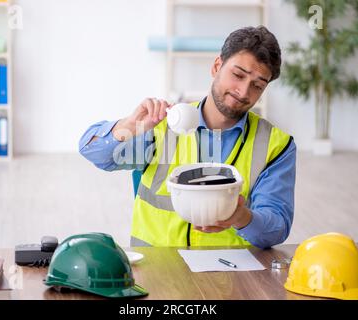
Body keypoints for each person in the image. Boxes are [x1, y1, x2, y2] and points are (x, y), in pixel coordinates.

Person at [79, 26, 296, 249]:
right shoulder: (163, 125)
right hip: (157, 272)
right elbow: (94, 152)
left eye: (257, 86)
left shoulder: (276, 145)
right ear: (216, 66)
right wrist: (129, 125)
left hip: (233, 278)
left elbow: (276, 229)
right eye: (238, 75)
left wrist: (241, 218)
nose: (243, 92)